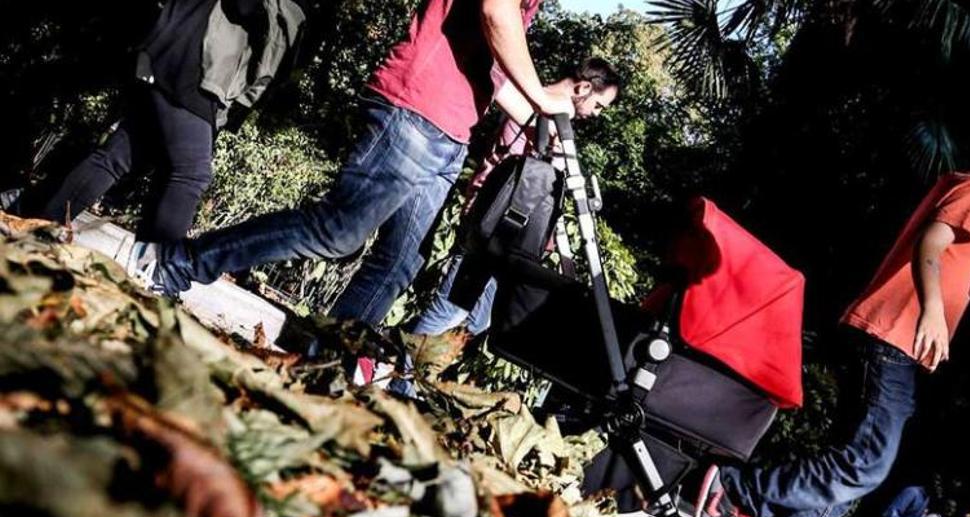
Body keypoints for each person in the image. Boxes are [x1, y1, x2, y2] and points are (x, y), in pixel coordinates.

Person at [694, 105, 970, 517]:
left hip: (891, 345)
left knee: (865, 461)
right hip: (889, 339)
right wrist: (932, 310)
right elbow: (932, 243)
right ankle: (737, 490)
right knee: (868, 461)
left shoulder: (968, 191)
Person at [144, 0, 572, 329]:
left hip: (451, 132)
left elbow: (492, 71)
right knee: (337, 230)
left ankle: (330, 349)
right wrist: (541, 93)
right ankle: (180, 261)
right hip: (416, 109)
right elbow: (495, 12)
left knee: (401, 262)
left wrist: (541, 122)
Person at [12, 0, 305, 263]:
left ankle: (35, 224)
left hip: (179, 45)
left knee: (118, 157)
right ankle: (155, 270)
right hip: (197, 59)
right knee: (191, 173)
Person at [408, 56, 622, 340]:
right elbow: (506, 168)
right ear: (583, 88)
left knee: (480, 318)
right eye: (598, 105)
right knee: (453, 308)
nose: (596, 114)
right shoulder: (533, 108)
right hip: (493, 227)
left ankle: (408, 358)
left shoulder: (557, 123)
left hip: (517, 240)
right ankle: (396, 362)